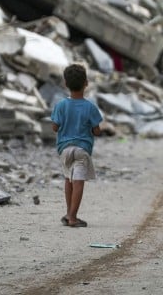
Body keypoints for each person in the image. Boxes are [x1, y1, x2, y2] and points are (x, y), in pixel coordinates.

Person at [50, 63, 103, 228]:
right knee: (78, 182)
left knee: (69, 179)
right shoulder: (90, 107)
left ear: (66, 83)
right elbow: (97, 131)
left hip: (64, 149)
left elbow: (54, 127)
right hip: (82, 149)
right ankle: (73, 218)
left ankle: (69, 213)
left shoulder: (61, 105)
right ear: (86, 83)